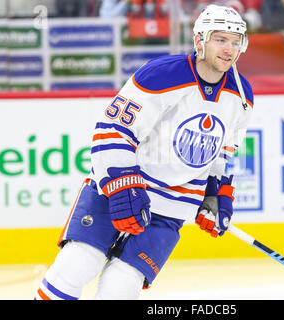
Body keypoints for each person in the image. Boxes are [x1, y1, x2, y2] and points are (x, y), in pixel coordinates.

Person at [34, 4, 254, 300]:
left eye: (235, 41)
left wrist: (217, 191)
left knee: (122, 287)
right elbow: (113, 130)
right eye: (221, 39)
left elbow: (224, 150)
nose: (229, 49)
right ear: (200, 40)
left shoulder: (241, 95)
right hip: (119, 187)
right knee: (77, 264)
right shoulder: (161, 76)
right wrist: (122, 184)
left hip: (174, 204)